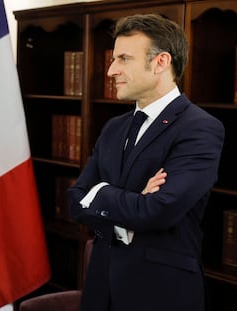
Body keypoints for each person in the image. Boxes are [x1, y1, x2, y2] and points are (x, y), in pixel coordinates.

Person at [67, 13, 224, 311]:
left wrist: (100, 193)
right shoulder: (114, 126)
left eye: (123, 59)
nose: (111, 70)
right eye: (113, 59)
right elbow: (75, 200)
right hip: (101, 288)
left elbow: (159, 210)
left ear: (161, 62)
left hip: (160, 293)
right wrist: (133, 201)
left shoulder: (200, 128)